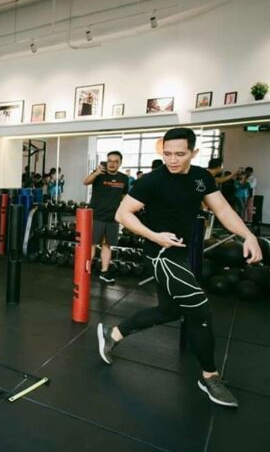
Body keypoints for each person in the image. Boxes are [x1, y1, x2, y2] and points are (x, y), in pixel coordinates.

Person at [97, 127, 261, 408]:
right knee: (201, 310)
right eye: (168, 153)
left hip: (181, 254)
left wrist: (249, 235)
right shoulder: (152, 180)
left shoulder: (201, 178)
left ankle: (112, 334)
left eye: (180, 154)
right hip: (160, 255)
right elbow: (122, 214)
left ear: (193, 153)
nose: (172, 160)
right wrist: (154, 235)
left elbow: (222, 210)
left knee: (168, 311)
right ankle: (209, 377)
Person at [83, 151, 128, 283]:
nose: (112, 164)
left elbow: (124, 196)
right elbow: (85, 182)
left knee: (107, 245)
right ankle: (84, 272)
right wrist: (96, 173)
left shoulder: (124, 178)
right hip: (96, 216)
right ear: (107, 161)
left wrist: (124, 211)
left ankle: (104, 272)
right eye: (110, 161)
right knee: (91, 245)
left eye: (115, 161)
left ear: (120, 163)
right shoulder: (99, 174)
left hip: (113, 217)